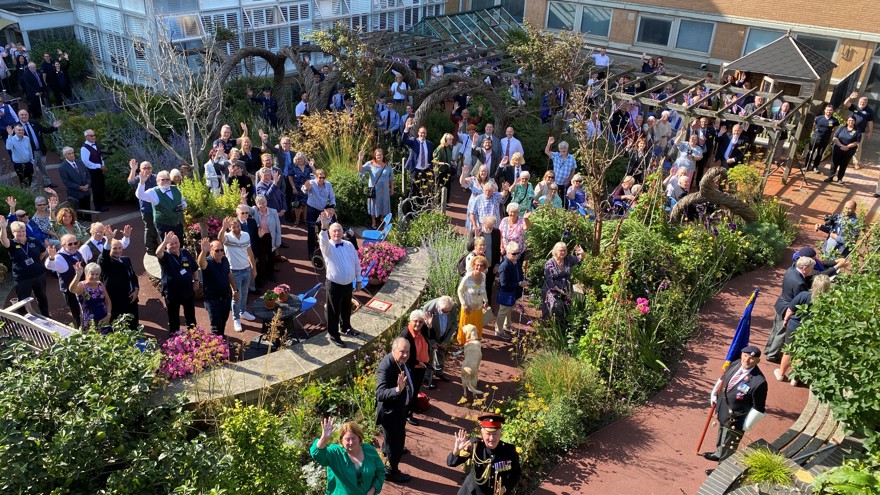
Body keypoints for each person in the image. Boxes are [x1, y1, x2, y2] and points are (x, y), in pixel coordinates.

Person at [705, 345, 767, 466]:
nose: (746, 360)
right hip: (723, 409)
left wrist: (746, 424)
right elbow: (723, 378)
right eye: (745, 356)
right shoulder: (736, 364)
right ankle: (718, 453)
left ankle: (722, 467)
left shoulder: (759, 381)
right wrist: (714, 393)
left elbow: (759, 408)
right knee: (721, 435)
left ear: (757, 361)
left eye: (751, 358)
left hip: (736, 418)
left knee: (729, 443)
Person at [776, 275, 832, 385]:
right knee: (802, 353)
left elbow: (790, 310)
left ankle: (781, 374)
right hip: (812, 330)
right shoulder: (827, 301)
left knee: (789, 350)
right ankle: (795, 377)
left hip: (794, 326)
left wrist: (786, 320)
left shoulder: (804, 295)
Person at [447, 414, 522, 495]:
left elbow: (516, 474)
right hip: (471, 492)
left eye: (495, 434)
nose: (491, 438)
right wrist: (456, 451)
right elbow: (451, 463)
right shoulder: (475, 446)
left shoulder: (509, 451)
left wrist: (504, 488)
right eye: (488, 434)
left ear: (501, 433)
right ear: (482, 433)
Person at [319, 211, 361, 348]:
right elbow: (323, 240)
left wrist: (358, 280)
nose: (336, 233)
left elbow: (356, 263)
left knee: (346, 307)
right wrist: (324, 228)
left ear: (343, 232)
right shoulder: (327, 247)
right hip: (334, 285)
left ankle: (346, 328)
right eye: (334, 231)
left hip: (348, 284)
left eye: (339, 231)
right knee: (333, 311)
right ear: (330, 234)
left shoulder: (348, 245)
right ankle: (334, 335)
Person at [311, 418, 385, 495]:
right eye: (347, 439)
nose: (351, 442)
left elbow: (380, 472)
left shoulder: (369, 450)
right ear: (341, 440)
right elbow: (317, 454)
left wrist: (372, 490)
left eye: (353, 438)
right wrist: (324, 439)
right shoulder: (336, 453)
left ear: (359, 438)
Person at [375, 338, 414, 483]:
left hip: (400, 409)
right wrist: (397, 390)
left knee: (393, 439)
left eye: (407, 352)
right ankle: (391, 471)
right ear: (393, 351)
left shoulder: (400, 361)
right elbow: (380, 394)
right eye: (402, 352)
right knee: (396, 442)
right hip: (391, 413)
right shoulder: (386, 366)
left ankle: (387, 448)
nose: (405, 355)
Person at [764, 255, 815, 363]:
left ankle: (768, 349)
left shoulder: (790, 270)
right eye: (811, 268)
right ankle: (773, 355)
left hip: (780, 303)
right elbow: (798, 300)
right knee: (782, 333)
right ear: (805, 268)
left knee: (775, 329)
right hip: (787, 307)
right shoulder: (800, 283)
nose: (812, 270)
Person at [0, 218, 49, 316]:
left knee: (42, 296)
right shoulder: (12, 244)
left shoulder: (33, 241)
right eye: (18, 231)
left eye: (23, 231)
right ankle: (25, 318)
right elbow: (4, 241)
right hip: (22, 278)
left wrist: (37, 262)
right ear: (13, 233)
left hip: (38, 274)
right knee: (23, 300)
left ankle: (46, 315)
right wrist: (3, 228)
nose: (21, 233)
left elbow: (43, 252)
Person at [156, 232, 198, 334]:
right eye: (171, 244)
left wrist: (196, 281)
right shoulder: (165, 256)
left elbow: (194, 268)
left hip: (187, 290)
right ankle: (175, 341)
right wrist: (165, 241)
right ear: (167, 246)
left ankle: (193, 336)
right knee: (174, 318)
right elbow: (158, 253)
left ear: (179, 242)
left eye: (176, 243)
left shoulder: (185, 253)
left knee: (191, 317)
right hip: (172, 293)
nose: (174, 245)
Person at [97, 236, 140, 331]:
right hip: (117, 302)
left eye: (120, 248)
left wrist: (136, 289)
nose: (118, 251)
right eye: (114, 248)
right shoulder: (106, 262)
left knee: (134, 325)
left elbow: (132, 276)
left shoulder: (126, 259)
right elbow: (104, 257)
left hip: (131, 299)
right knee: (121, 327)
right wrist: (108, 241)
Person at [197, 238, 236, 337]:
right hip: (213, 302)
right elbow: (201, 263)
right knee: (215, 327)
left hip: (226, 298)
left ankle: (221, 338)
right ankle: (218, 348)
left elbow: (229, 274)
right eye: (217, 250)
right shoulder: (208, 262)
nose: (220, 252)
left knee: (223, 322)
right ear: (211, 251)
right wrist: (203, 251)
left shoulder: (224, 259)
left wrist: (235, 290)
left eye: (221, 250)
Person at [45, 234, 86, 326]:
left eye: (75, 243)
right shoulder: (59, 257)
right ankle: (81, 330)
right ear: (63, 245)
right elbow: (49, 266)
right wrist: (51, 257)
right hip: (70, 291)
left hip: (81, 286)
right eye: (70, 244)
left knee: (86, 308)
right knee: (77, 312)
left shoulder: (77, 252)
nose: (74, 246)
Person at [136, 168, 187, 242]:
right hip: (164, 224)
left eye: (167, 179)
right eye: (163, 179)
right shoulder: (153, 192)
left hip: (178, 222)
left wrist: (184, 205)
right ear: (157, 181)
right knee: (167, 245)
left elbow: (183, 200)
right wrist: (142, 183)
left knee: (179, 242)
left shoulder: (175, 188)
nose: (166, 181)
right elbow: (140, 195)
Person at [399, 310, 431, 425]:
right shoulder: (406, 335)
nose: (418, 324)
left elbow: (431, 337)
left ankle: (413, 407)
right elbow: (404, 355)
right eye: (416, 321)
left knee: (416, 388)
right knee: (410, 391)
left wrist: (430, 325)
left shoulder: (422, 329)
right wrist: (417, 362)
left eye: (421, 322)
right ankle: (408, 414)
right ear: (410, 321)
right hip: (412, 367)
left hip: (421, 366)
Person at [542, 242, 585, 320]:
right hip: (552, 290)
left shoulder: (568, 259)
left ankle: (564, 327)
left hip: (566, 288)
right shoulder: (549, 264)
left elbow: (580, 258)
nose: (563, 252)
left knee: (567, 308)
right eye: (561, 250)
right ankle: (550, 325)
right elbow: (549, 281)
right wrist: (560, 291)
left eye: (564, 250)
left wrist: (582, 253)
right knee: (556, 306)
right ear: (555, 251)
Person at [421, 295, 458, 386]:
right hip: (431, 337)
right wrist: (432, 342)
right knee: (429, 358)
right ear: (438, 306)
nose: (446, 313)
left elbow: (454, 323)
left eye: (448, 312)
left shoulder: (452, 307)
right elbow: (424, 329)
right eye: (443, 311)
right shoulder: (428, 308)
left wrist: (447, 339)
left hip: (443, 336)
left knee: (441, 354)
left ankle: (439, 372)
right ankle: (428, 378)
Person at [247, 194, 282, 285]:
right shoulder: (255, 210)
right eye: (259, 203)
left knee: (271, 257)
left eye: (264, 202)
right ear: (256, 204)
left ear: (266, 202)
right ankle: (262, 277)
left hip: (271, 237)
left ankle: (271, 274)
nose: (262, 205)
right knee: (261, 258)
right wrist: (243, 198)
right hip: (260, 238)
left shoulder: (273, 212)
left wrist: (278, 241)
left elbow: (278, 228)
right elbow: (245, 208)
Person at [126, 160, 159, 253]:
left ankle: (159, 245)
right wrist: (133, 169)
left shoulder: (156, 177)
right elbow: (130, 181)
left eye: (149, 168)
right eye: (144, 168)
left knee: (159, 227)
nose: (147, 170)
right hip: (147, 209)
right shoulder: (138, 178)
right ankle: (150, 248)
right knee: (150, 228)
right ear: (140, 170)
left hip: (158, 208)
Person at [303, 169, 336, 260]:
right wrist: (306, 187)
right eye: (320, 177)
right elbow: (305, 190)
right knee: (311, 231)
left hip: (322, 210)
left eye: (323, 178)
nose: (321, 179)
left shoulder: (328, 185)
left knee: (326, 229)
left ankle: (327, 250)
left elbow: (332, 197)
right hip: (312, 210)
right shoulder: (311, 183)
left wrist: (332, 207)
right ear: (316, 177)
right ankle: (311, 253)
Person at [68, 262, 111, 332]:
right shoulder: (82, 286)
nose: (94, 276)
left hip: (104, 319)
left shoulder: (100, 284)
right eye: (92, 274)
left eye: (97, 274)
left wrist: (108, 315)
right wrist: (77, 275)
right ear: (86, 274)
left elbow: (107, 300)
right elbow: (72, 290)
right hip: (90, 323)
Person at [496, 242, 525, 340]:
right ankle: (499, 330)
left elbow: (519, 274)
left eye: (518, 253)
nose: (516, 256)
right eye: (514, 254)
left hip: (514, 292)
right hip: (506, 293)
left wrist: (523, 281)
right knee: (503, 311)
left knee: (509, 308)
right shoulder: (504, 266)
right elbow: (504, 283)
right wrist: (519, 284)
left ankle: (507, 325)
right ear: (507, 253)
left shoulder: (516, 262)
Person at [359, 148, 394, 230]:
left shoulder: (387, 165)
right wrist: (360, 160)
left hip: (385, 189)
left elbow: (391, 178)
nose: (379, 156)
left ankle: (382, 220)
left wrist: (392, 188)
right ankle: (373, 221)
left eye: (381, 155)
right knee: (373, 204)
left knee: (384, 203)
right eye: (378, 155)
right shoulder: (370, 164)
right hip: (374, 189)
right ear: (375, 155)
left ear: (383, 156)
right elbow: (360, 170)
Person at [456, 255, 488, 345]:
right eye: (477, 265)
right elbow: (459, 291)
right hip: (468, 308)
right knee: (465, 327)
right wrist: (464, 304)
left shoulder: (483, 276)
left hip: (478, 307)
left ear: (484, 267)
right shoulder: (467, 277)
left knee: (476, 326)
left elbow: (483, 289)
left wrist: (486, 300)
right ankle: (462, 344)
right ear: (473, 265)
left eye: (482, 265)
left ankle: (474, 343)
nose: (479, 267)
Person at [823, 116, 861, 184]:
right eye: (849, 120)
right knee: (834, 163)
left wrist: (847, 147)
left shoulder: (857, 131)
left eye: (852, 120)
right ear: (847, 121)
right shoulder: (841, 128)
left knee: (844, 164)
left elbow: (857, 142)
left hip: (848, 151)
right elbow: (835, 137)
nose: (850, 122)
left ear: (854, 122)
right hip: (838, 149)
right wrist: (841, 145)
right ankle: (830, 177)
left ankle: (840, 178)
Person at [401, 120, 435, 198]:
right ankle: (410, 208)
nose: (423, 134)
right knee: (413, 190)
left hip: (425, 170)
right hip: (415, 169)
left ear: (426, 134)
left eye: (424, 133)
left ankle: (419, 208)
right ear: (418, 133)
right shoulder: (414, 141)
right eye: (421, 133)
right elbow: (404, 140)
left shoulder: (430, 144)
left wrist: (431, 169)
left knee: (422, 190)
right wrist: (406, 129)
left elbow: (431, 158)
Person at [842, 92, 874, 170]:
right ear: (859, 101)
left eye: (864, 102)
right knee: (846, 144)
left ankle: (856, 163)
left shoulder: (869, 111)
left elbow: (870, 122)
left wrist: (870, 132)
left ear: (867, 103)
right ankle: (844, 160)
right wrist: (850, 97)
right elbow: (846, 103)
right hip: (850, 130)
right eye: (861, 101)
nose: (862, 103)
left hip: (860, 132)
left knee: (858, 148)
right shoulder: (854, 107)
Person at [805, 104, 839, 173]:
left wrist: (831, 136)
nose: (828, 111)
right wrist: (815, 134)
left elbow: (835, 130)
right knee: (810, 152)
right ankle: (806, 166)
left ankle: (815, 166)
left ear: (832, 111)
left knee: (820, 154)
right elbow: (814, 126)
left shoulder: (834, 120)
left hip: (825, 139)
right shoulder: (818, 118)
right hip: (815, 138)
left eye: (830, 110)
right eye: (827, 110)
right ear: (825, 110)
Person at [80, 129, 109, 211]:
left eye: (94, 135)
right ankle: (98, 206)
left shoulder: (96, 144)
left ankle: (103, 202)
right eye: (91, 136)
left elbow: (99, 157)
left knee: (102, 186)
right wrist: (99, 166)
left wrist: (103, 165)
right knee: (96, 189)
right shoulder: (84, 148)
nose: (94, 137)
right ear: (86, 137)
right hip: (92, 171)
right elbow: (86, 162)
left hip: (99, 169)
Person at [460, 165, 495, 231]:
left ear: (487, 173)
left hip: (485, 206)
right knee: (473, 225)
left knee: (484, 226)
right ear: (479, 171)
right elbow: (462, 183)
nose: (483, 173)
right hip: (474, 205)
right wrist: (463, 173)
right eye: (482, 171)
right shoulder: (473, 179)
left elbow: (495, 191)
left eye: (485, 171)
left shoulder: (491, 181)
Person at [59, 146, 91, 211]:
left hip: (86, 191)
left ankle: (89, 220)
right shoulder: (62, 167)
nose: (72, 155)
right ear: (65, 156)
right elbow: (67, 182)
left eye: (72, 153)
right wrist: (80, 187)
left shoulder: (80, 162)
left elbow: (87, 174)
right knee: (79, 212)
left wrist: (88, 184)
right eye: (69, 154)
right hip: (76, 194)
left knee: (88, 209)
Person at [287, 153, 313, 227]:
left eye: (301, 158)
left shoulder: (308, 166)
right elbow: (290, 177)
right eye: (298, 159)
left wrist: (312, 166)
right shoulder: (292, 166)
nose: (300, 160)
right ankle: (297, 220)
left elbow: (315, 173)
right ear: (296, 160)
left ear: (304, 159)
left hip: (307, 188)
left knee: (305, 204)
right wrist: (293, 187)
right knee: (297, 205)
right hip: (297, 188)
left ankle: (305, 219)